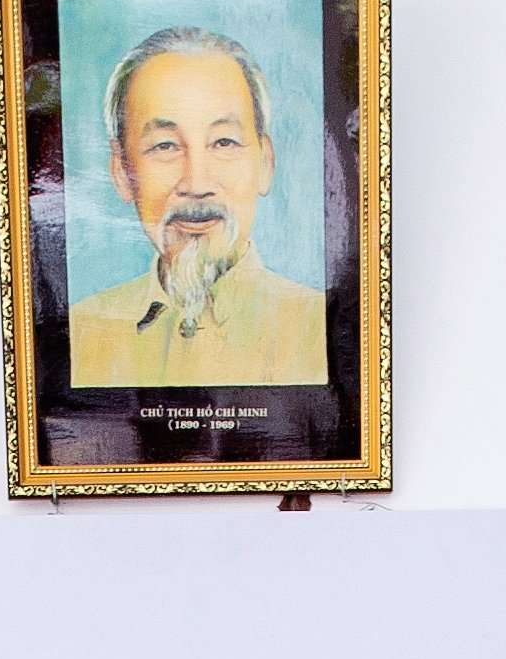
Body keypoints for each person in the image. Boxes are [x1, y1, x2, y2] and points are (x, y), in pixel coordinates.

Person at [65, 20, 330, 390]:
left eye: (224, 142)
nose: (197, 184)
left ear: (265, 163)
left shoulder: (324, 332)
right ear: (122, 171)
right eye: (165, 146)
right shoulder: (77, 335)